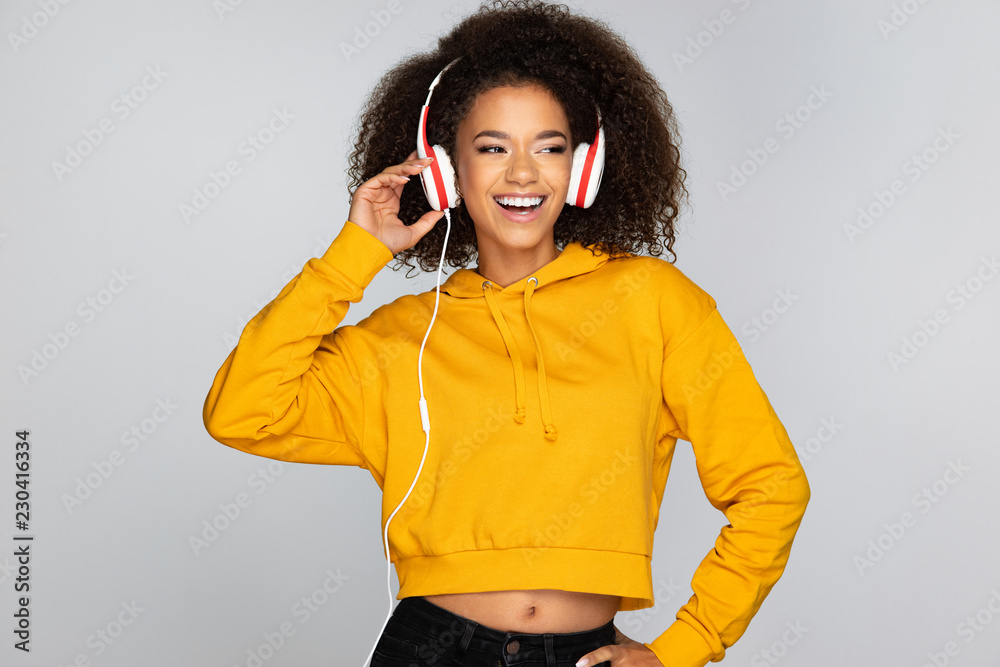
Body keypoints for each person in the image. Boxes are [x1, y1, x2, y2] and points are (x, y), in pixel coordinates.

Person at [202, 1, 810, 666]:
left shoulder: (655, 302)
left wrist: (684, 645)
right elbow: (241, 410)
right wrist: (355, 252)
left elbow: (772, 484)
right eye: (492, 148)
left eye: (548, 148)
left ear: (583, 168)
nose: (522, 173)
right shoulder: (402, 335)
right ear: (446, 171)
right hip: (428, 649)